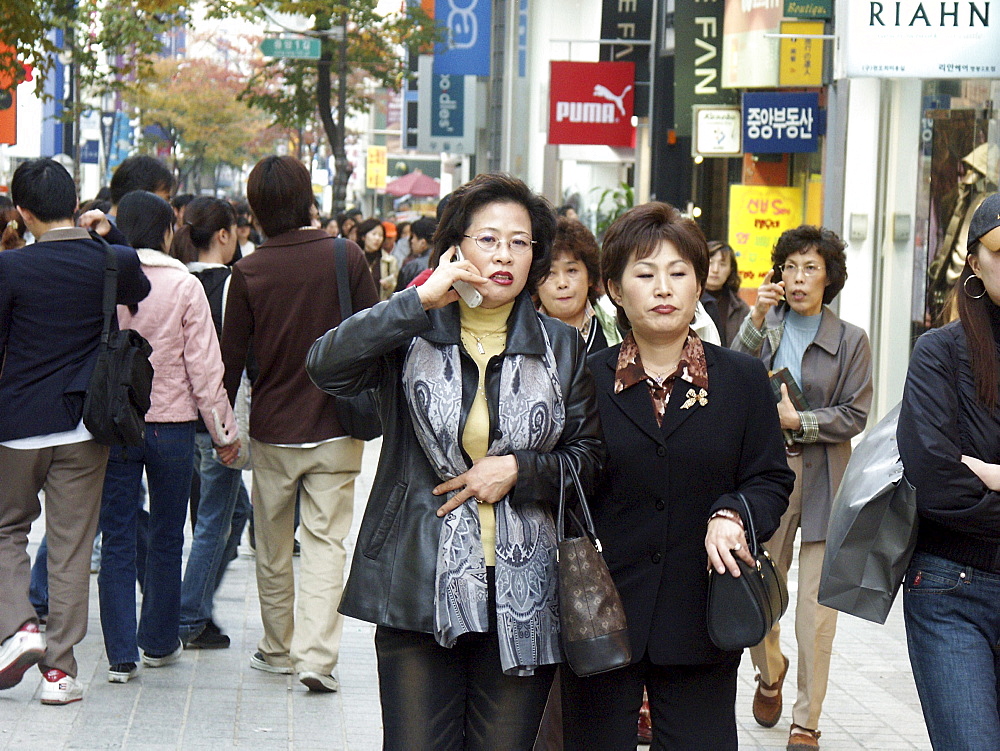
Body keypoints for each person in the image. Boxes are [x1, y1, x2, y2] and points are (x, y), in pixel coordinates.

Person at [305, 172, 603, 748]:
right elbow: (325, 365)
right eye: (488, 239)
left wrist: (520, 469)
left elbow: (589, 459)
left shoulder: (560, 346)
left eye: (520, 242)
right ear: (456, 248)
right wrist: (416, 300)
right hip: (418, 578)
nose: (504, 255)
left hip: (526, 589)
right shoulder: (412, 331)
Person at [559, 201, 792, 750]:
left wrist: (734, 511)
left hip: (701, 617)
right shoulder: (582, 379)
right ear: (615, 288)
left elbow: (771, 479)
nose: (663, 288)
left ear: (697, 287)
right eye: (645, 274)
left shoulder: (741, 380)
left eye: (678, 273)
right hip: (600, 616)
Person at [220, 155, 379, 692]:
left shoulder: (248, 272)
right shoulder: (345, 256)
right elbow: (375, 333)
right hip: (337, 426)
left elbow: (231, 363)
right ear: (308, 197)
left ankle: (277, 646)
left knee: (272, 545)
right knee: (326, 543)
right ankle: (316, 657)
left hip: (273, 431)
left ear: (256, 211)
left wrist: (222, 429)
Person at [0, 158, 149, 704]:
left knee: (6, 529)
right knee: (70, 547)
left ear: (23, 212)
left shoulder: (9, 269)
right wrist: (112, 230)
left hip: (18, 423)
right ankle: (59, 675)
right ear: (77, 203)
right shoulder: (111, 259)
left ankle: (20, 628)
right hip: (87, 425)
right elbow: (140, 283)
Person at [734, 225, 872, 751]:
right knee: (754, 589)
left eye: (810, 267)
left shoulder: (851, 339)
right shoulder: (764, 325)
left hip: (825, 482)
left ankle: (806, 721)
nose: (797, 278)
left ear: (829, 277)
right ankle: (770, 672)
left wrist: (802, 422)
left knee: (816, 610)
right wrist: (753, 318)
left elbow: (855, 413)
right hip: (766, 476)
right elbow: (726, 374)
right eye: (789, 267)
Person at [98, 191, 239, 685]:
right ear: (165, 232)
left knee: (115, 536)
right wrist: (223, 431)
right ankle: (158, 641)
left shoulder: (105, 276)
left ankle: (119, 654)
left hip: (116, 426)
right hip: (172, 429)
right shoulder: (183, 285)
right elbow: (205, 368)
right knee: (166, 535)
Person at [897, 193, 1000, 750]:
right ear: (974, 261)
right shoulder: (940, 352)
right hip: (952, 588)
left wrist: (994, 475)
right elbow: (936, 480)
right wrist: (972, 481)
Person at [169, 196, 246, 650]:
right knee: (216, 520)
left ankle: (193, 606)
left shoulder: (175, 281)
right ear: (223, 234)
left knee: (231, 515)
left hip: (180, 419)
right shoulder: (231, 286)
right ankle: (188, 615)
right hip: (218, 421)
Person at [536, 216, 609, 353]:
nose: (562, 283)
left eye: (572, 270)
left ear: (590, 278)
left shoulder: (613, 333)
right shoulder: (519, 334)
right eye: (550, 273)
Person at [700, 241, 750, 347]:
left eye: (722, 264)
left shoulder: (739, 308)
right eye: (710, 263)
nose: (715, 270)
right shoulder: (689, 301)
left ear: (731, 270)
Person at [356, 217, 398, 301]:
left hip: (380, 309)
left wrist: (389, 285)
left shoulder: (389, 261)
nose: (377, 238)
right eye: (374, 234)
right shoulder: (355, 259)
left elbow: (395, 290)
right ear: (363, 236)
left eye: (381, 235)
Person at [394, 216, 437, 292]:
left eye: (413, 237)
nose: (411, 241)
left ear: (423, 242)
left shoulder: (412, 267)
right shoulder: (448, 262)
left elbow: (398, 299)